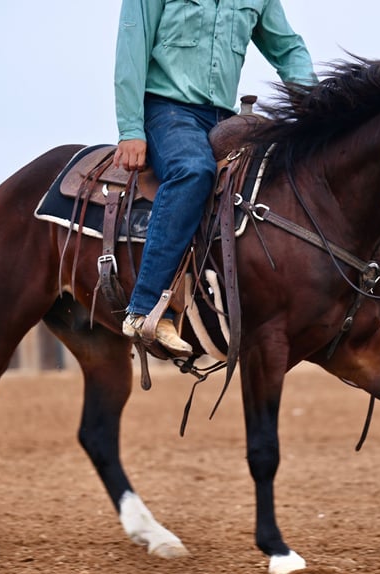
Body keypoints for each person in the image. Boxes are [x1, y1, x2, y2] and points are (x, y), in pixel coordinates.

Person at [113, 0, 317, 355]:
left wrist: (316, 107)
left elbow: (287, 49)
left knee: (270, 181)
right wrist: (131, 129)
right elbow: (132, 46)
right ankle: (144, 308)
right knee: (193, 170)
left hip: (226, 118)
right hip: (167, 111)